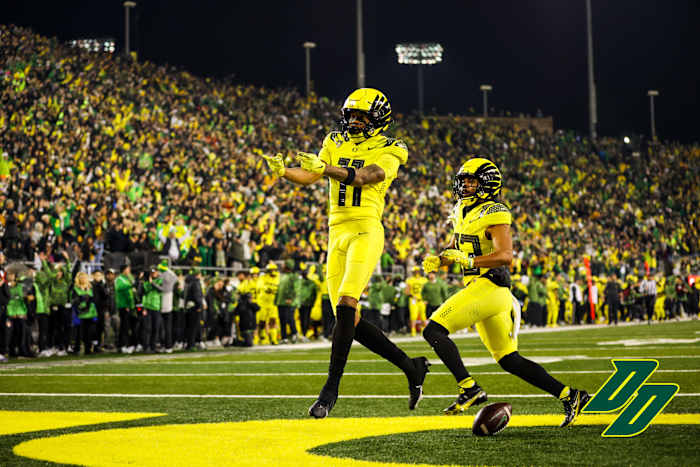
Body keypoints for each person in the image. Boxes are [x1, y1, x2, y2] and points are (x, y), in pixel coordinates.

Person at [263, 88, 429, 419]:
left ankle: (330, 391)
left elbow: (368, 176)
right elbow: (310, 175)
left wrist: (325, 169)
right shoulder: (334, 141)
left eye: (362, 116)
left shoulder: (391, 147)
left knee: (347, 303)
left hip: (366, 229)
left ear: (377, 120)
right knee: (347, 318)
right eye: (351, 115)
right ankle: (411, 367)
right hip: (335, 231)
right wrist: (283, 171)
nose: (354, 121)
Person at [421, 157, 589, 427]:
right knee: (509, 360)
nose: (465, 186)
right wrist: (439, 260)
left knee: (433, 330)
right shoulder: (461, 210)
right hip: (482, 289)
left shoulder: (495, 212)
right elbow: (456, 247)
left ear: (487, 184)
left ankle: (469, 388)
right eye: (463, 181)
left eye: (471, 181)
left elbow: (506, 256)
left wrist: (470, 262)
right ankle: (571, 396)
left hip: (490, 286)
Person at [405, 266, 428, 336]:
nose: (416, 273)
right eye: (415, 271)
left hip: (422, 300)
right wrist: (413, 296)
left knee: (423, 316)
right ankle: (413, 331)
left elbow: (427, 291)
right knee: (413, 316)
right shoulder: (410, 280)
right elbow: (406, 291)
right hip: (413, 300)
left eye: (417, 271)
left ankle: (423, 330)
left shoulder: (424, 280)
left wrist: (426, 299)